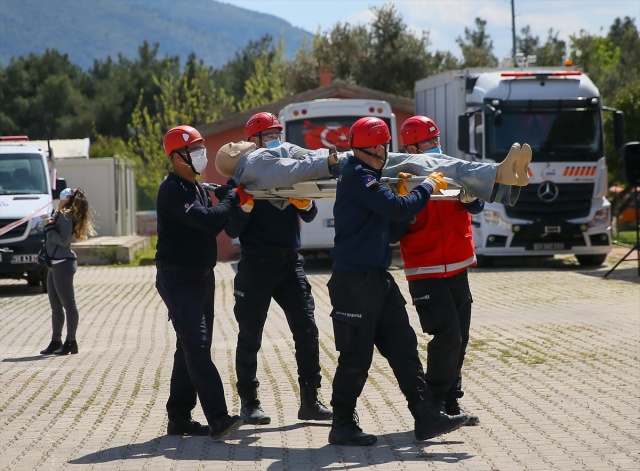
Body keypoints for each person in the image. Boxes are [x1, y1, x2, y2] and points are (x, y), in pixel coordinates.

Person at [326, 116, 470, 446]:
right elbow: (395, 208)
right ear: (373, 148)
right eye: (381, 146)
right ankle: (342, 423)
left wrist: (406, 200)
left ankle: (426, 417)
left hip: (377, 279)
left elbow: (392, 228)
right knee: (356, 356)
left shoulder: (371, 178)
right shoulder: (358, 177)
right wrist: (425, 188)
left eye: (384, 146)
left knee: (404, 348)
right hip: (353, 283)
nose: (384, 151)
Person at [223, 112, 333, 425]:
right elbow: (231, 230)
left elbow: (310, 214)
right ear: (252, 142)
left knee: (307, 331)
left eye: (276, 133)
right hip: (256, 264)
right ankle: (250, 403)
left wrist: (306, 204)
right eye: (268, 135)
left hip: (290, 263)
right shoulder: (241, 179)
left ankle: (310, 401)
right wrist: (243, 207)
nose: (275, 139)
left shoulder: (288, 174)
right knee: (250, 336)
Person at [155, 125, 248, 440]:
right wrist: (231, 200)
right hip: (178, 278)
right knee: (197, 346)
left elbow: (215, 223)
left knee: (190, 346)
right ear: (177, 157)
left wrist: (224, 201)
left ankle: (179, 417)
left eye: (200, 148)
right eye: (194, 150)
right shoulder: (172, 190)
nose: (201, 155)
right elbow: (206, 221)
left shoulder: (195, 187)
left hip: (200, 277)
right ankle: (218, 418)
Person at [391, 115, 484, 426]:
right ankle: (430, 404)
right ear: (412, 148)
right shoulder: (400, 178)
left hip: (458, 265)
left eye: (436, 140)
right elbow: (395, 229)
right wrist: (405, 200)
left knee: (461, 337)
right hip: (425, 269)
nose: (435, 147)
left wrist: (472, 199)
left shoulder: (453, 167)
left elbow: (477, 206)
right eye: (428, 143)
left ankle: (450, 403)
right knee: (447, 336)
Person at [215, 137, 531, 206]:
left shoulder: (253, 165)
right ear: (232, 153)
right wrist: (329, 161)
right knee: (422, 164)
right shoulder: (254, 162)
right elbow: (289, 172)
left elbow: (289, 168)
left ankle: (501, 178)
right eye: (233, 142)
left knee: (428, 163)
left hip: (335, 165)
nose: (239, 140)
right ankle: (499, 176)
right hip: (337, 167)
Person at [39, 187, 96, 356]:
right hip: (53, 264)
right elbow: (51, 241)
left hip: (63, 265)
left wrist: (49, 227)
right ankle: (56, 341)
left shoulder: (66, 215)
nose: (65, 192)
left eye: (69, 192)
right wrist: (42, 253)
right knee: (55, 307)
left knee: (68, 305)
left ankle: (71, 341)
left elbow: (63, 241)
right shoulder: (59, 213)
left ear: (70, 198)